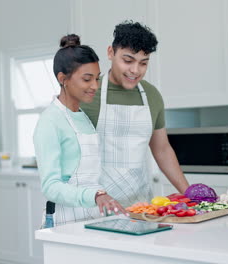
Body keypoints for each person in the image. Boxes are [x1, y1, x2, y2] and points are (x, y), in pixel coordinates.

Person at [80, 21, 190, 208]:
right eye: (128, 61)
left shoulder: (152, 96)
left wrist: (190, 194)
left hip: (139, 207)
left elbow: (162, 149)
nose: (135, 70)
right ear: (110, 53)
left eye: (143, 63)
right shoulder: (86, 92)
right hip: (94, 205)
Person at [33, 34, 128, 227]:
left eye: (96, 78)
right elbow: (50, 187)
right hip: (65, 219)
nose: (95, 86)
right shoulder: (49, 122)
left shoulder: (83, 117)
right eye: (87, 79)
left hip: (94, 215)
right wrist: (95, 196)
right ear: (63, 79)